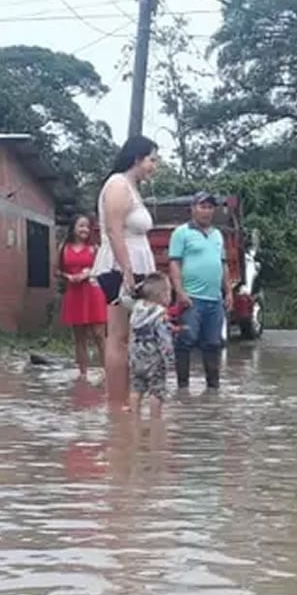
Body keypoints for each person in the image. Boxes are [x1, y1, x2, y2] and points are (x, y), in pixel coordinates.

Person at [91, 136, 162, 404]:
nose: (154, 166)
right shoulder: (118, 184)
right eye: (151, 160)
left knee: (134, 336)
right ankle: (117, 401)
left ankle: (127, 398)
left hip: (134, 267)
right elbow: (113, 230)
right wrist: (128, 272)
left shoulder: (132, 188)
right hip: (120, 268)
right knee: (119, 336)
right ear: (136, 158)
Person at [167, 192, 231, 391]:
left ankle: (213, 388)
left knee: (213, 343)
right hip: (192, 298)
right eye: (202, 206)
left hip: (215, 299)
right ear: (193, 209)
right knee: (186, 341)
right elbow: (175, 263)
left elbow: (223, 265)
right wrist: (180, 292)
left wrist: (228, 292)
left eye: (210, 207)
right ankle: (182, 388)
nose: (207, 211)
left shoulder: (217, 234)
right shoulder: (181, 233)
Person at [57, 214, 108, 378]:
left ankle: (107, 372)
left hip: (94, 292)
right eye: (81, 226)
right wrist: (68, 277)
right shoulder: (63, 248)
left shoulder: (95, 248)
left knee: (99, 334)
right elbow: (56, 271)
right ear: (73, 228)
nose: (84, 229)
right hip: (74, 293)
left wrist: (88, 273)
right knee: (79, 336)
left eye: (87, 226)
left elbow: (103, 269)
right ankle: (83, 374)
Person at [124, 271, 178, 418]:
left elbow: (131, 333)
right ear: (163, 295)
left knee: (136, 389)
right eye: (169, 293)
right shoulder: (161, 315)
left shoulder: (136, 309)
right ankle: (155, 419)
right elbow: (164, 341)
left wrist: (129, 356)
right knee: (156, 392)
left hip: (136, 359)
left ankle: (134, 420)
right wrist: (170, 361)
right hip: (155, 361)